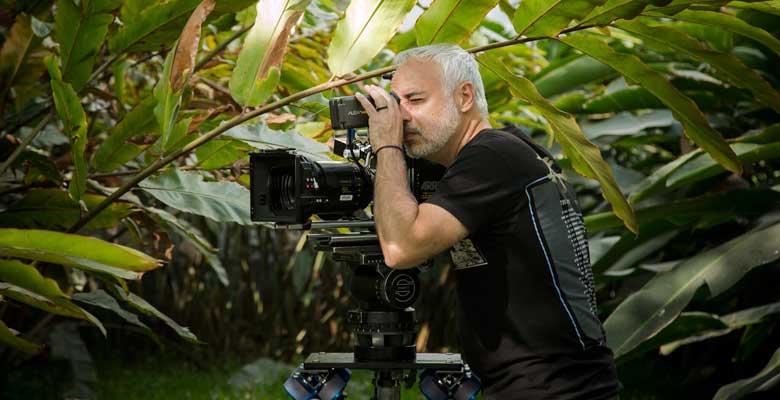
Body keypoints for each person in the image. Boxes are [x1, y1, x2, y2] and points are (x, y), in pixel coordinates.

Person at [354, 43, 621, 399]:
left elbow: (402, 247)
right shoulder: (512, 148)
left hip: (552, 389)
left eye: (415, 101)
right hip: (560, 385)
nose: (400, 117)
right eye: (395, 102)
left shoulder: (492, 156)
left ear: (465, 97)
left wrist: (386, 146)